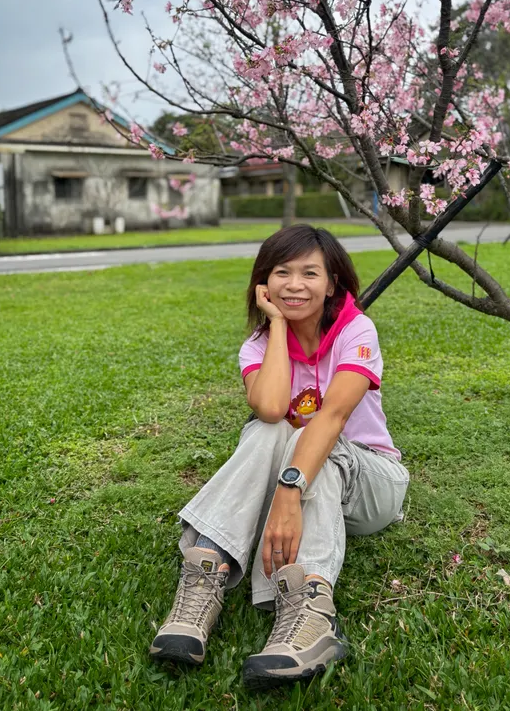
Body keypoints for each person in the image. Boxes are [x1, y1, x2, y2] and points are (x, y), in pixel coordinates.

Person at [149, 225, 409, 687]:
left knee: (313, 440)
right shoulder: (257, 346)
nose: (294, 284)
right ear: (263, 284)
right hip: (306, 473)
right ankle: (205, 572)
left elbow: (331, 419)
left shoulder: (357, 329)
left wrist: (288, 493)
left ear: (332, 283)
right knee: (270, 427)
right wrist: (278, 326)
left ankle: (311, 608)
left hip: (371, 479)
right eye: (281, 272)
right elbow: (269, 408)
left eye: (310, 273)